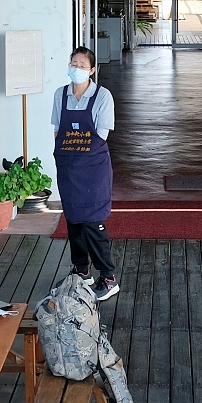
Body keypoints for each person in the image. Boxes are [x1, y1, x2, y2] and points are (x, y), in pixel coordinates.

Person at [52, 46, 118, 301]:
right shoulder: (60, 94)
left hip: (92, 168)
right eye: (73, 64)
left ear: (92, 70)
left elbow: (102, 133)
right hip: (68, 167)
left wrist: (78, 147)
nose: (76, 69)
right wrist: (67, 152)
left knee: (92, 221)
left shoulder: (103, 96)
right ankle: (81, 271)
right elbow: (57, 128)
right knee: (73, 220)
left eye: (82, 65)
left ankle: (109, 278)